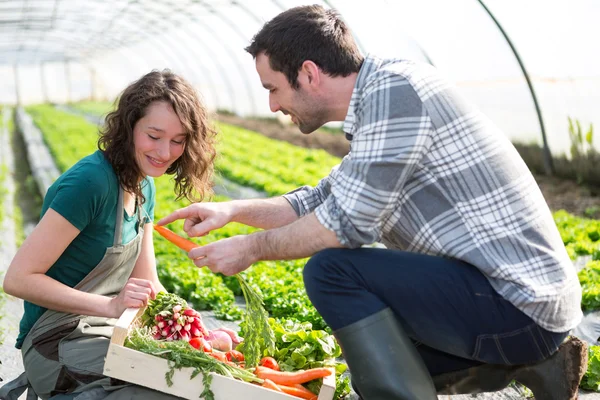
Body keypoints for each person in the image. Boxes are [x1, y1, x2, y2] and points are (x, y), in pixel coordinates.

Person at [158, 5, 586, 400]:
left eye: (274, 89)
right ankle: (540, 363)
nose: (272, 105)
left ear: (308, 73)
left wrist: (249, 249)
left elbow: (339, 226)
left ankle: (523, 351)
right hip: (506, 300)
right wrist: (233, 211)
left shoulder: (397, 94)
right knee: (376, 361)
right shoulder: (380, 96)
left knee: (332, 271)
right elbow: (320, 200)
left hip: (517, 303)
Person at [1, 70, 216, 400]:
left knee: (195, 376)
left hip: (101, 332)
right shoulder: (91, 184)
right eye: (154, 136)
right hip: (54, 342)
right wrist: (111, 305)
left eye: (178, 140)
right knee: (168, 389)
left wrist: (191, 329)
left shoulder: (144, 184)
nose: (165, 151)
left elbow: (149, 282)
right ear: (129, 127)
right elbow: (18, 279)